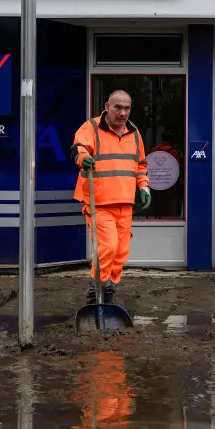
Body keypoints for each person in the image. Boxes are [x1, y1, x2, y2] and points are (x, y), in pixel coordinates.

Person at [71, 90, 150, 305]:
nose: (122, 112)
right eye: (118, 107)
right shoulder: (92, 127)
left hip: (124, 201)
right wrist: (83, 158)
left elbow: (140, 164)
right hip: (99, 202)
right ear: (107, 106)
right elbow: (79, 148)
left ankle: (108, 289)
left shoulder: (134, 133)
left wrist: (144, 186)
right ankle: (96, 289)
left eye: (127, 108)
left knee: (122, 251)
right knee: (109, 247)